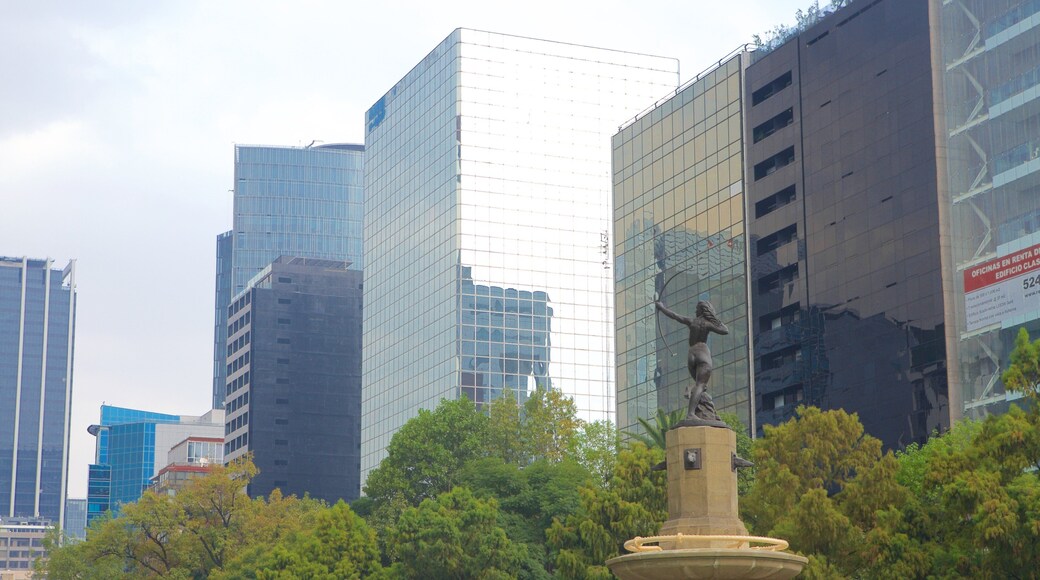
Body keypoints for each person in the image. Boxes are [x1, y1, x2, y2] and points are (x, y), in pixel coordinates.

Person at [655, 299, 729, 422]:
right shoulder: (708, 324)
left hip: (691, 354)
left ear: (702, 310)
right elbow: (725, 330)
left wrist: (662, 308)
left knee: (700, 385)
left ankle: (694, 394)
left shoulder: (691, 322)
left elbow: (674, 316)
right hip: (702, 354)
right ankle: (691, 413)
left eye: (697, 309)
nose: (695, 310)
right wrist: (714, 319)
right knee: (701, 385)